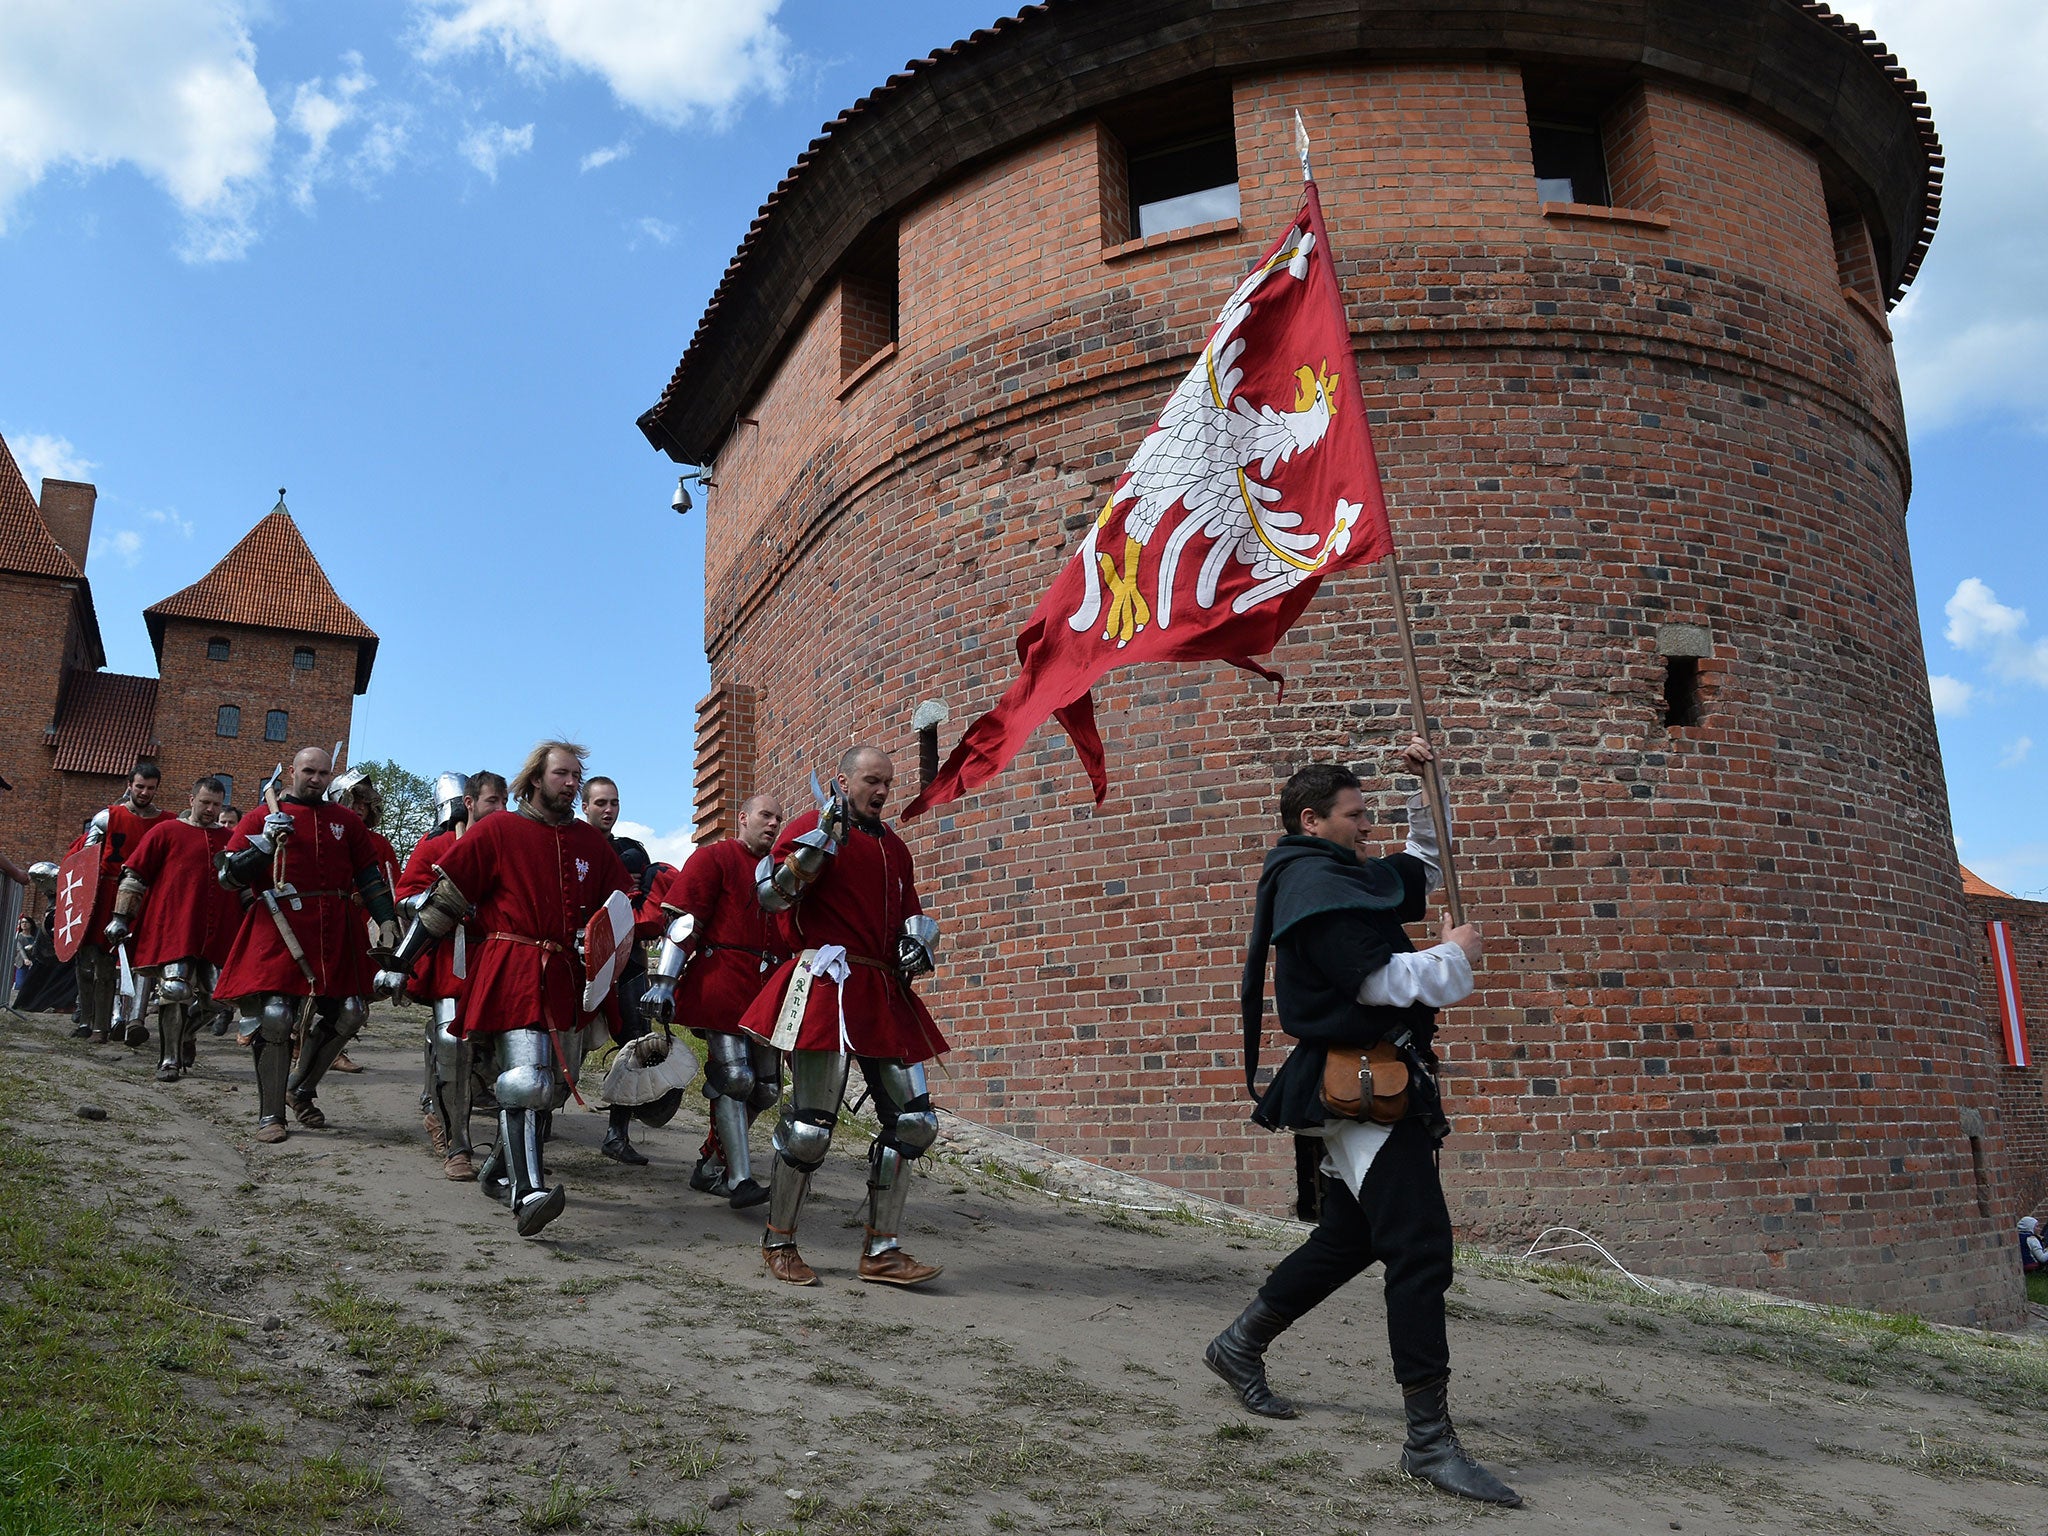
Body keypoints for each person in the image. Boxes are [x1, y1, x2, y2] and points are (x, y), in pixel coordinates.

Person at [1206, 740, 1518, 1508]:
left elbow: (1420, 864)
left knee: (1351, 1237)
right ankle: (1429, 1442)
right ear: (1312, 819)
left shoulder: (1340, 874)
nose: (1365, 832)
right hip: (1358, 1084)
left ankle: (1239, 1344)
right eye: (1355, 819)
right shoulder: (1312, 884)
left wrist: (1426, 787)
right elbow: (1376, 981)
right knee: (1418, 1248)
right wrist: (1452, 954)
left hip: (1375, 1077)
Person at [385, 741, 632, 1237]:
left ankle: (498, 1169)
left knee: (554, 1088)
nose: (571, 783)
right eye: (562, 773)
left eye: (576, 776)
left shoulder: (589, 842)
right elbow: (444, 901)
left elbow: (622, 907)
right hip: (513, 965)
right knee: (526, 1082)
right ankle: (528, 1193)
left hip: (565, 974)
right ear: (536, 779)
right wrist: (400, 962)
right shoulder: (499, 829)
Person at [736, 745, 947, 1287]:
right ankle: (779, 1239)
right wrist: (819, 844)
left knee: (917, 1122)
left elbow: (909, 914)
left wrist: (918, 942)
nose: (881, 791)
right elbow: (772, 898)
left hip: (881, 987)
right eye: (871, 781)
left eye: (887, 783)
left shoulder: (895, 850)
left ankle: (882, 1249)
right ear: (844, 781)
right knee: (809, 1131)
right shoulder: (812, 825)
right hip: (827, 983)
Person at [214, 747, 401, 1143]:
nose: (315, 779)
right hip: (279, 923)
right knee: (277, 1016)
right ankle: (271, 1116)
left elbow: (369, 877)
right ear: (293, 773)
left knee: (351, 1012)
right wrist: (264, 844)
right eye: (308, 771)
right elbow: (228, 876)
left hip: (335, 927)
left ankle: (300, 1087)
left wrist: (386, 918)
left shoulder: (346, 821)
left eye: (323, 773)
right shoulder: (261, 816)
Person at [642, 791, 788, 1207]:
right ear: (743, 818)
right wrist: (666, 982)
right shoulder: (715, 858)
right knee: (736, 1078)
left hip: (765, 991)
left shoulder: (781, 874)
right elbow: (684, 923)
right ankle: (739, 1179)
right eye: (765, 815)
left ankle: (710, 1164)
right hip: (721, 982)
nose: (773, 824)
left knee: (767, 1090)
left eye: (779, 817)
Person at [399, 770, 505, 1178]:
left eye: (504, 801)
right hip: (452, 958)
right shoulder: (439, 845)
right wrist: (443, 897)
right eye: (491, 801)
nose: (498, 809)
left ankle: (462, 1112)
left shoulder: (509, 846)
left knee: (501, 1055)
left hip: (498, 960)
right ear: (470, 802)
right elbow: (405, 897)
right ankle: (456, 1144)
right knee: (452, 1044)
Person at [104, 776, 240, 1080]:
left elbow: (242, 885)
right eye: (205, 802)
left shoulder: (229, 840)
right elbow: (135, 876)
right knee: (174, 989)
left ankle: (187, 1034)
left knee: (219, 997)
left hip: (218, 931)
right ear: (191, 800)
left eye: (216, 805)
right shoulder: (166, 831)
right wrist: (120, 917)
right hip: (175, 926)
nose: (210, 809)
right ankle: (169, 1060)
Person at [581, 775, 669, 1166]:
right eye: (600, 802)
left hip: (627, 963)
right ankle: (539, 1119)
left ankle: (617, 1134)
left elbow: (641, 911)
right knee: (561, 1045)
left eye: (613, 803)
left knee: (635, 1045)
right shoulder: (567, 847)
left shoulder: (633, 855)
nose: (608, 810)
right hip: (575, 961)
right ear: (585, 806)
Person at [71, 760, 168, 1045]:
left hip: (144, 897)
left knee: (139, 961)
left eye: (150, 788)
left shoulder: (165, 822)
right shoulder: (108, 817)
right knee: (94, 961)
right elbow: (85, 861)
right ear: (129, 785)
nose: (144, 792)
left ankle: (125, 1022)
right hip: (106, 893)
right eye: (140, 786)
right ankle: (90, 1022)